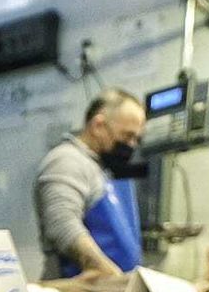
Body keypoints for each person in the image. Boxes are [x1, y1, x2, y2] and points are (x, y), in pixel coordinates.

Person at [34, 88, 146, 280]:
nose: (131, 145)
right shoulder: (65, 160)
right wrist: (106, 272)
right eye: (127, 136)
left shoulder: (101, 167)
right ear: (98, 125)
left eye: (136, 138)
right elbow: (62, 225)